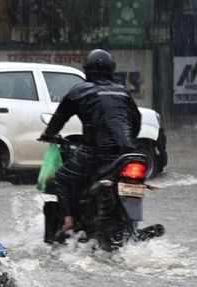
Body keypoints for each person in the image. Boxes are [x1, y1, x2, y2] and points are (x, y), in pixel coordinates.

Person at [39, 49, 141, 240]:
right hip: (126, 156)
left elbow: (59, 118)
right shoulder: (123, 92)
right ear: (111, 69)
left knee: (62, 178)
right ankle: (132, 227)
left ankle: (68, 222)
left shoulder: (79, 91)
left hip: (95, 153)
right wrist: (127, 143)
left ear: (87, 70)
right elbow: (136, 122)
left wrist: (48, 134)